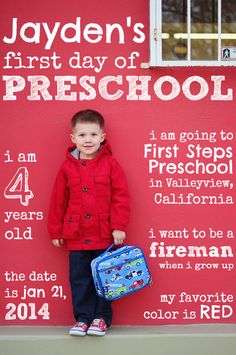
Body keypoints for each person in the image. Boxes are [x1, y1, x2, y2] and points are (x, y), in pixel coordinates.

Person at [47, 109, 130, 336]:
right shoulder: (67, 168)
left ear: (102, 136)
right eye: (82, 135)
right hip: (76, 236)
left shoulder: (111, 165)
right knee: (80, 280)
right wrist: (56, 230)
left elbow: (121, 197)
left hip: (104, 235)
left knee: (105, 278)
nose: (88, 140)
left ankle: (101, 318)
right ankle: (83, 318)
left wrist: (119, 226)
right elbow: (58, 201)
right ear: (73, 138)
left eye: (93, 134)